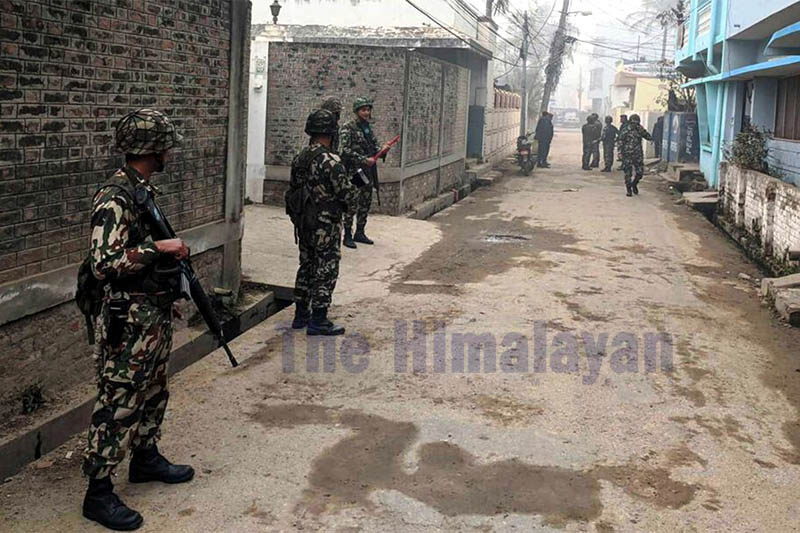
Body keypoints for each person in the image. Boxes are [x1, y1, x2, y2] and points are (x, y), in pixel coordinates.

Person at [81, 109, 194, 531]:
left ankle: (145, 459)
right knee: (119, 400)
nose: (169, 152)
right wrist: (159, 249)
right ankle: (98, 492)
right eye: (164, 145)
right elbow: (103, 263)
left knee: (153, 389)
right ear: (151, 149)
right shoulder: (116, 195)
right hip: (127, 320)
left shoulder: (141, 189)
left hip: (151, 313)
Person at [288, 109, 358, 335]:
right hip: (326, 226)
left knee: (306, 265)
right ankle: (319, 320)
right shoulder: (331, 161)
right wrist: (354, 185)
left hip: (304, 222)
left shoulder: (300, 157)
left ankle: (300, 315)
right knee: (325, 268)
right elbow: (347, 195)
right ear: (331, 132)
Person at [340, 97, 388, 249]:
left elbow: (374, 146)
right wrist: (362, 159)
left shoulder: (367, 128)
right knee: (352, 202)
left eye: (368, 110)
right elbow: (344, 150)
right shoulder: (349, 128)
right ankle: (347, 234)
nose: (366, 112)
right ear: (356, 111)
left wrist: (383, 151)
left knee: (365, 202)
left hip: (368, 171)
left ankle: (360, 232)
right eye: (363, 110)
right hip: (356, 172)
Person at [618, 113, 652, 196]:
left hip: (638, 154)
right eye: (633, 122)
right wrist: (620, 153)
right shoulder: (626, 129)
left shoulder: (639, 129)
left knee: (640, 172)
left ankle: (634, 184)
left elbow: (648, 136)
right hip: (627, 154)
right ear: (630, 122)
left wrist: (642, 131)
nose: (635, 124)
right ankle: (628, 189)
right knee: (628, 173)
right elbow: (620, 141)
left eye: (636, 122)